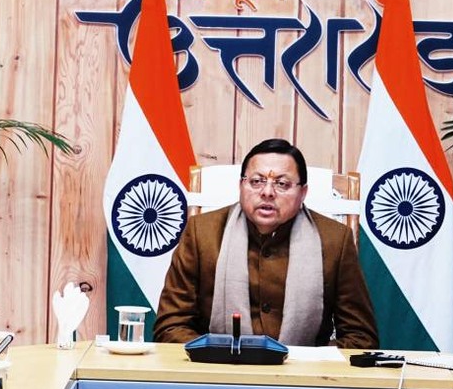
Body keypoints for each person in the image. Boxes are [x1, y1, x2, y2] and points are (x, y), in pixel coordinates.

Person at [154, 138, 378, 348]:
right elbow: (170, 326)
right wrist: (217, 354)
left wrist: (308, 361)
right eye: (256, 181)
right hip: (217, 370)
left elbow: (361, 337)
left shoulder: (334, 241)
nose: (268, 192)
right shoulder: (202, 234)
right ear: (241, 186)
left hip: (303, 374)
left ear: (303, 193)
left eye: (282, 184)